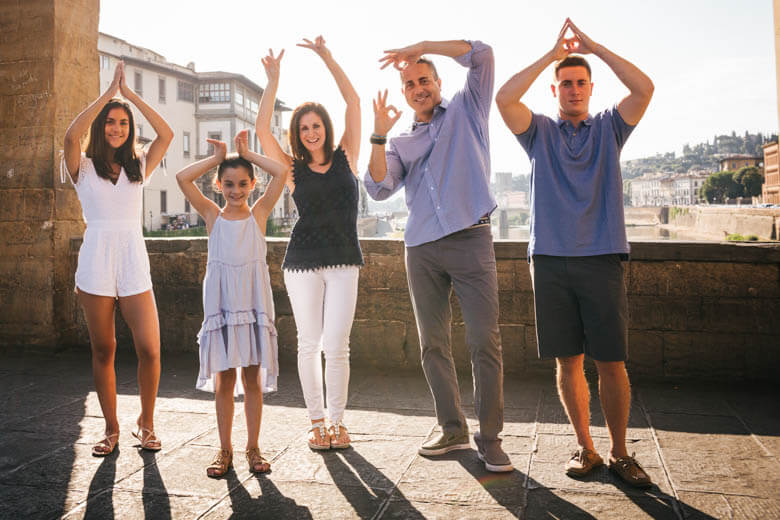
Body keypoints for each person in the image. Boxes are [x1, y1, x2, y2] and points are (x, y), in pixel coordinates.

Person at [495, 19, 654, 487]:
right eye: (565, 83)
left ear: (590, 88)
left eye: (581, 83)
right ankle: (585, 447)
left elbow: (644, 89)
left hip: (601, 256)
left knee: (611, 362)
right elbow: (505, 99)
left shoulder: (609, 128)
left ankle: (620, 453)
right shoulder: (538, 132)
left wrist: (595, 48)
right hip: (549, 259)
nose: (573, 90)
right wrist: (552, 53)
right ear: (555, 89)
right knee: (568, 362)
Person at [365, 39, 512, 473]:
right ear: (405, 93)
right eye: (409, 84)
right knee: (433, 343)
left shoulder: (469, 108)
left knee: (485, 340)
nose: (417, 88)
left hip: (471, 238)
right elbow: (378, 188)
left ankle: (490, 438)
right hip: (422, 247)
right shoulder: (400, 141)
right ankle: (452, 428)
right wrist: (376, 133)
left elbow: (483, 53)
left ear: (438, 82)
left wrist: (422, 46)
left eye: (423, 79)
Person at [256, 36, 362, 450]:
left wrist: (328, 57)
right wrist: (273, 80)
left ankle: (338, 423)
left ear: (326, 128)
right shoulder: (292, 168)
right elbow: (263, 128)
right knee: (309, 343)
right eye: (304, 128)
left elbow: (353, 102)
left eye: (316, 125)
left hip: (344, 261)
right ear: (298, 135)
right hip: (302, 262)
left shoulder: (346, 156)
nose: (311, 132)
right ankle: (317, 423)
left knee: (337, 345)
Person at [63, 62, 173, 456]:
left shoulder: (139, 165)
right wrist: (108, 93)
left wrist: (131, 97)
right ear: (102, 125)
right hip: (95, 262)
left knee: (149, 348)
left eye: (123, 123)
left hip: (132, 260)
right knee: (104, 349)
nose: (116, 128)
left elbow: (167, 133)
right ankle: (111, 428)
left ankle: (146, 423)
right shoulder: (84, 167)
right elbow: (71, 134)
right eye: (111, 121)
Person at [176, 130, 286, 478]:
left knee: (252, 379)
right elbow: (181, 177)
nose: (236, 190)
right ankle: (224, 450)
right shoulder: (212, 216)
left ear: (252, 184)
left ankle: (253, 447)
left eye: (242, 184)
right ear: (218, 186)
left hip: (252, 304)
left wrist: (247, 153)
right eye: (228, 184)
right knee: (224, 380)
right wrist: (217, 158)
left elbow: (281, 172)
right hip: (222, 305)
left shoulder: (259, 214)